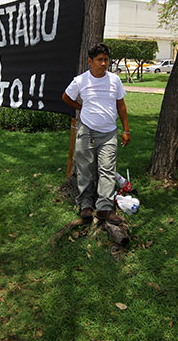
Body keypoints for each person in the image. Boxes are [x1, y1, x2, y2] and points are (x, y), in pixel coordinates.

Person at [62, 43, 130, 225]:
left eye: (106, 60)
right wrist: (81, 107)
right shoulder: (81, 81)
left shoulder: (114, 80)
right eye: (99, 60)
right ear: (90, 61)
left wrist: (126, 130)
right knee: (85, 170)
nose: (103, 63)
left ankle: (104, 208)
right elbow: (66, 97)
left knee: (107, 170)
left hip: (109, 133)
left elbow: (121, 105)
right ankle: (85, 205)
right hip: (87, 131)